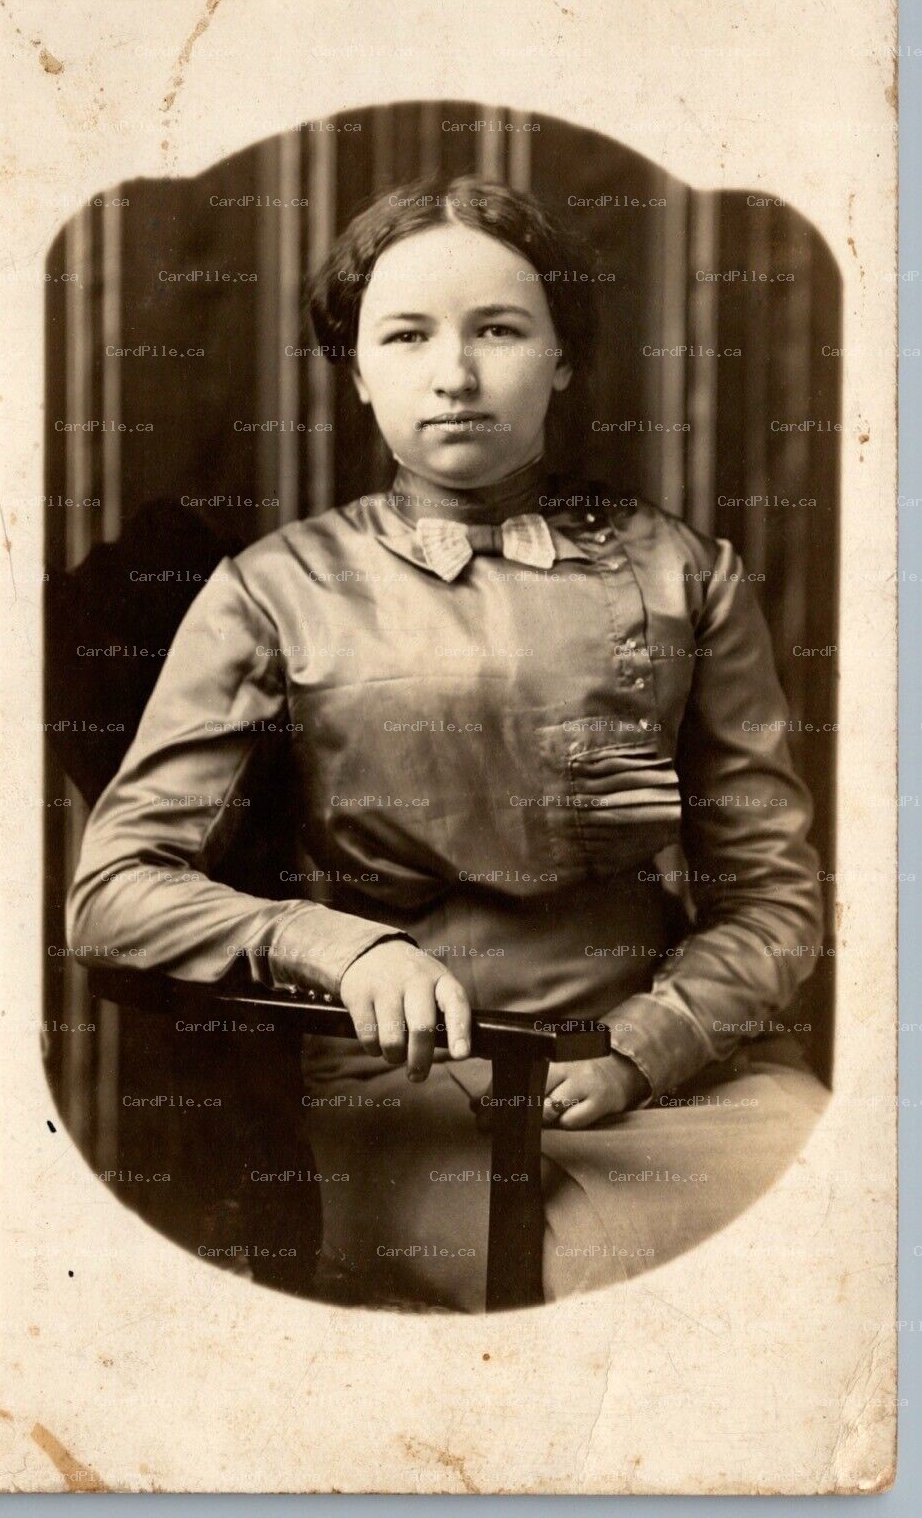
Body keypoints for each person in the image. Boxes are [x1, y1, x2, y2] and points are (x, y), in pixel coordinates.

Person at [66, 174, 829, 1311]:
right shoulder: (275, 588)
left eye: (500, 330)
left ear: (563, 358)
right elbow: (111, 895)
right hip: (409, 1084)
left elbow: (776, 897)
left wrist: (647, 1043)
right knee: (614, 1293)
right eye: (407, 335)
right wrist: (334, 946)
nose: (455, 374)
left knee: (843, 1221)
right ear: (359, 370)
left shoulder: (683, 574)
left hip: (671, 1071)